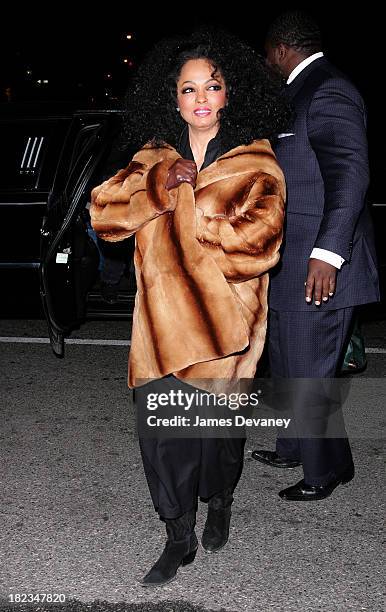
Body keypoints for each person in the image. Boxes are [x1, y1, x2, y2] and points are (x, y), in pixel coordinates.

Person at [90, 27, 290, 586]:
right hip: (159, 330)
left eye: (212, 86)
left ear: (230, 94)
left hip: (226, 334)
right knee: (163, 441)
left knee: (217, 443)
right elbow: (104, 215)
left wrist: (187, 215)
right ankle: (178, 535)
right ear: (171, 96)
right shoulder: (153, 157)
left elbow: (260, 246)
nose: (200, 98)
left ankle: (220, 498)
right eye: (188, 89)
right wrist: (158, 186)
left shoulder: (257, 164)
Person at [252, 11, 379, 500]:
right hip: (292, 261)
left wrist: (328, 253)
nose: (267, 65)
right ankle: (293, 446)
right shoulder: (299, 93)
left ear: (282, 50)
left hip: (321, 264)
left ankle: (324, 472)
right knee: (287, 361)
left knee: (309, 370)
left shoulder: (328, 90)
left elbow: (350, 176)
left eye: (267, 56)